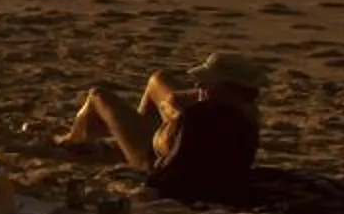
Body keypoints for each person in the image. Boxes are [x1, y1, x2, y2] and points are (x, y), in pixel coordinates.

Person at [62, 53, 266, 201]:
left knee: (98, 95)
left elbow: (173, 169)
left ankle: (73, 141)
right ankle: (123, 138)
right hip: (172, 143)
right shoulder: (245, 112)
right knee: (158, 80)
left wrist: (148, 187)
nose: (198, 87)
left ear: (225, 88)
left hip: (150, 157)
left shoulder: (199, 118)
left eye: (206, 83)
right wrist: (173, 112)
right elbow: (175, 99)